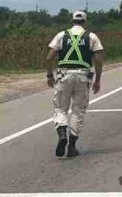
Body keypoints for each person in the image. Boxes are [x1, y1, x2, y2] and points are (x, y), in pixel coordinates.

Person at [45, 11, 104, 158]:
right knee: (78, 111)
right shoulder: (92, 37)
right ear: (85, 22)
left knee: (60, 108)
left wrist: (49, 75)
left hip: (64, 75)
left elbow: (49, 57)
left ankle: (62, 133)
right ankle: (71, 146)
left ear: (72, 21)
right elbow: (98, 61)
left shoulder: (61, 35)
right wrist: (98, 80)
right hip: (83, 77)